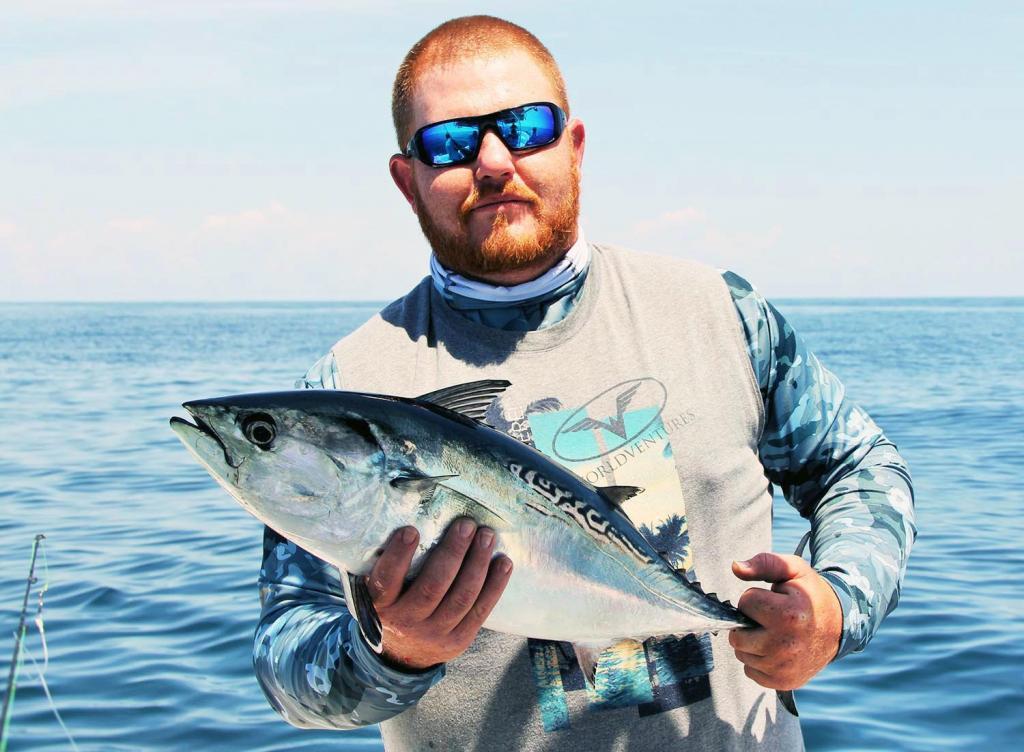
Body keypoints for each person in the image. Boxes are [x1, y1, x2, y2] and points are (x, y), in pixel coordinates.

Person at [254, 15, 915, 751]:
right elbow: (289, 670)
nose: (495, 162)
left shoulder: (722, 313)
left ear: (575, 146)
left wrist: (837, 609)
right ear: (407, 181)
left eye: (527, 126)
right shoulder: (345, 396)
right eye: (449, 142)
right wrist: (390, 655)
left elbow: (862, 468)